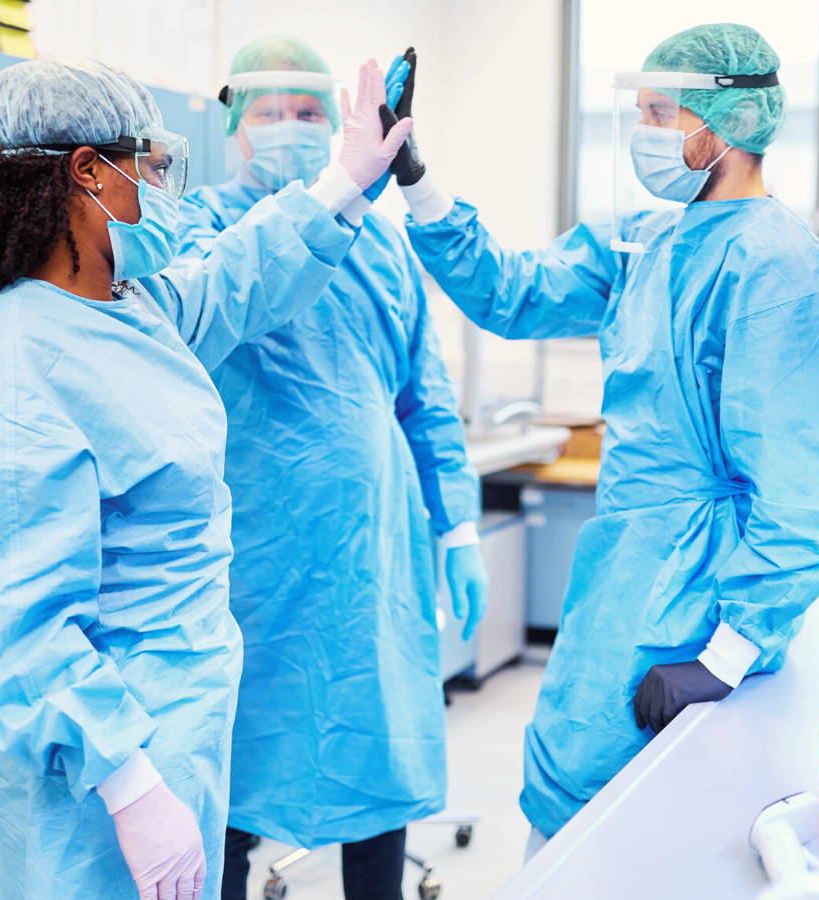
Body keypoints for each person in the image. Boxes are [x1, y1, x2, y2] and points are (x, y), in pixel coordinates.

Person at [0, 57, 411, 900]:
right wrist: (131, 790)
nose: (165, 190)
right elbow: (17, 631)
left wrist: (344, 183)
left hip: (168, 742)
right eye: (152, 165)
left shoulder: (127, 315)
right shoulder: (8, 367)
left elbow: (233, 280)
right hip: (89, 784)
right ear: (89, 172)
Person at [392, 23, 819, 842]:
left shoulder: (777, 268)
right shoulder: (644, 241)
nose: (644, 133)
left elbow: (810, 504)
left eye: (659, 113)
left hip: (698, 602)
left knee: (646, 830)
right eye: (640, 113)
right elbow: (512, 293)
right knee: (570, 798)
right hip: (623, 578)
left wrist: (720, 657)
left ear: (722, 126)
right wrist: (417, 182)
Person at [175, 39, 486, 900]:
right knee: (234, 765)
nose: (289, 128)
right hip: (253, 548)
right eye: (267, 113)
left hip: (372, 549)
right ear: (234, 126)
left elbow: (422, 396)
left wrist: (456, 524)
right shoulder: (201, 229)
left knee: (374, 749)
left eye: (310, 112)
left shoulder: (386, 249)